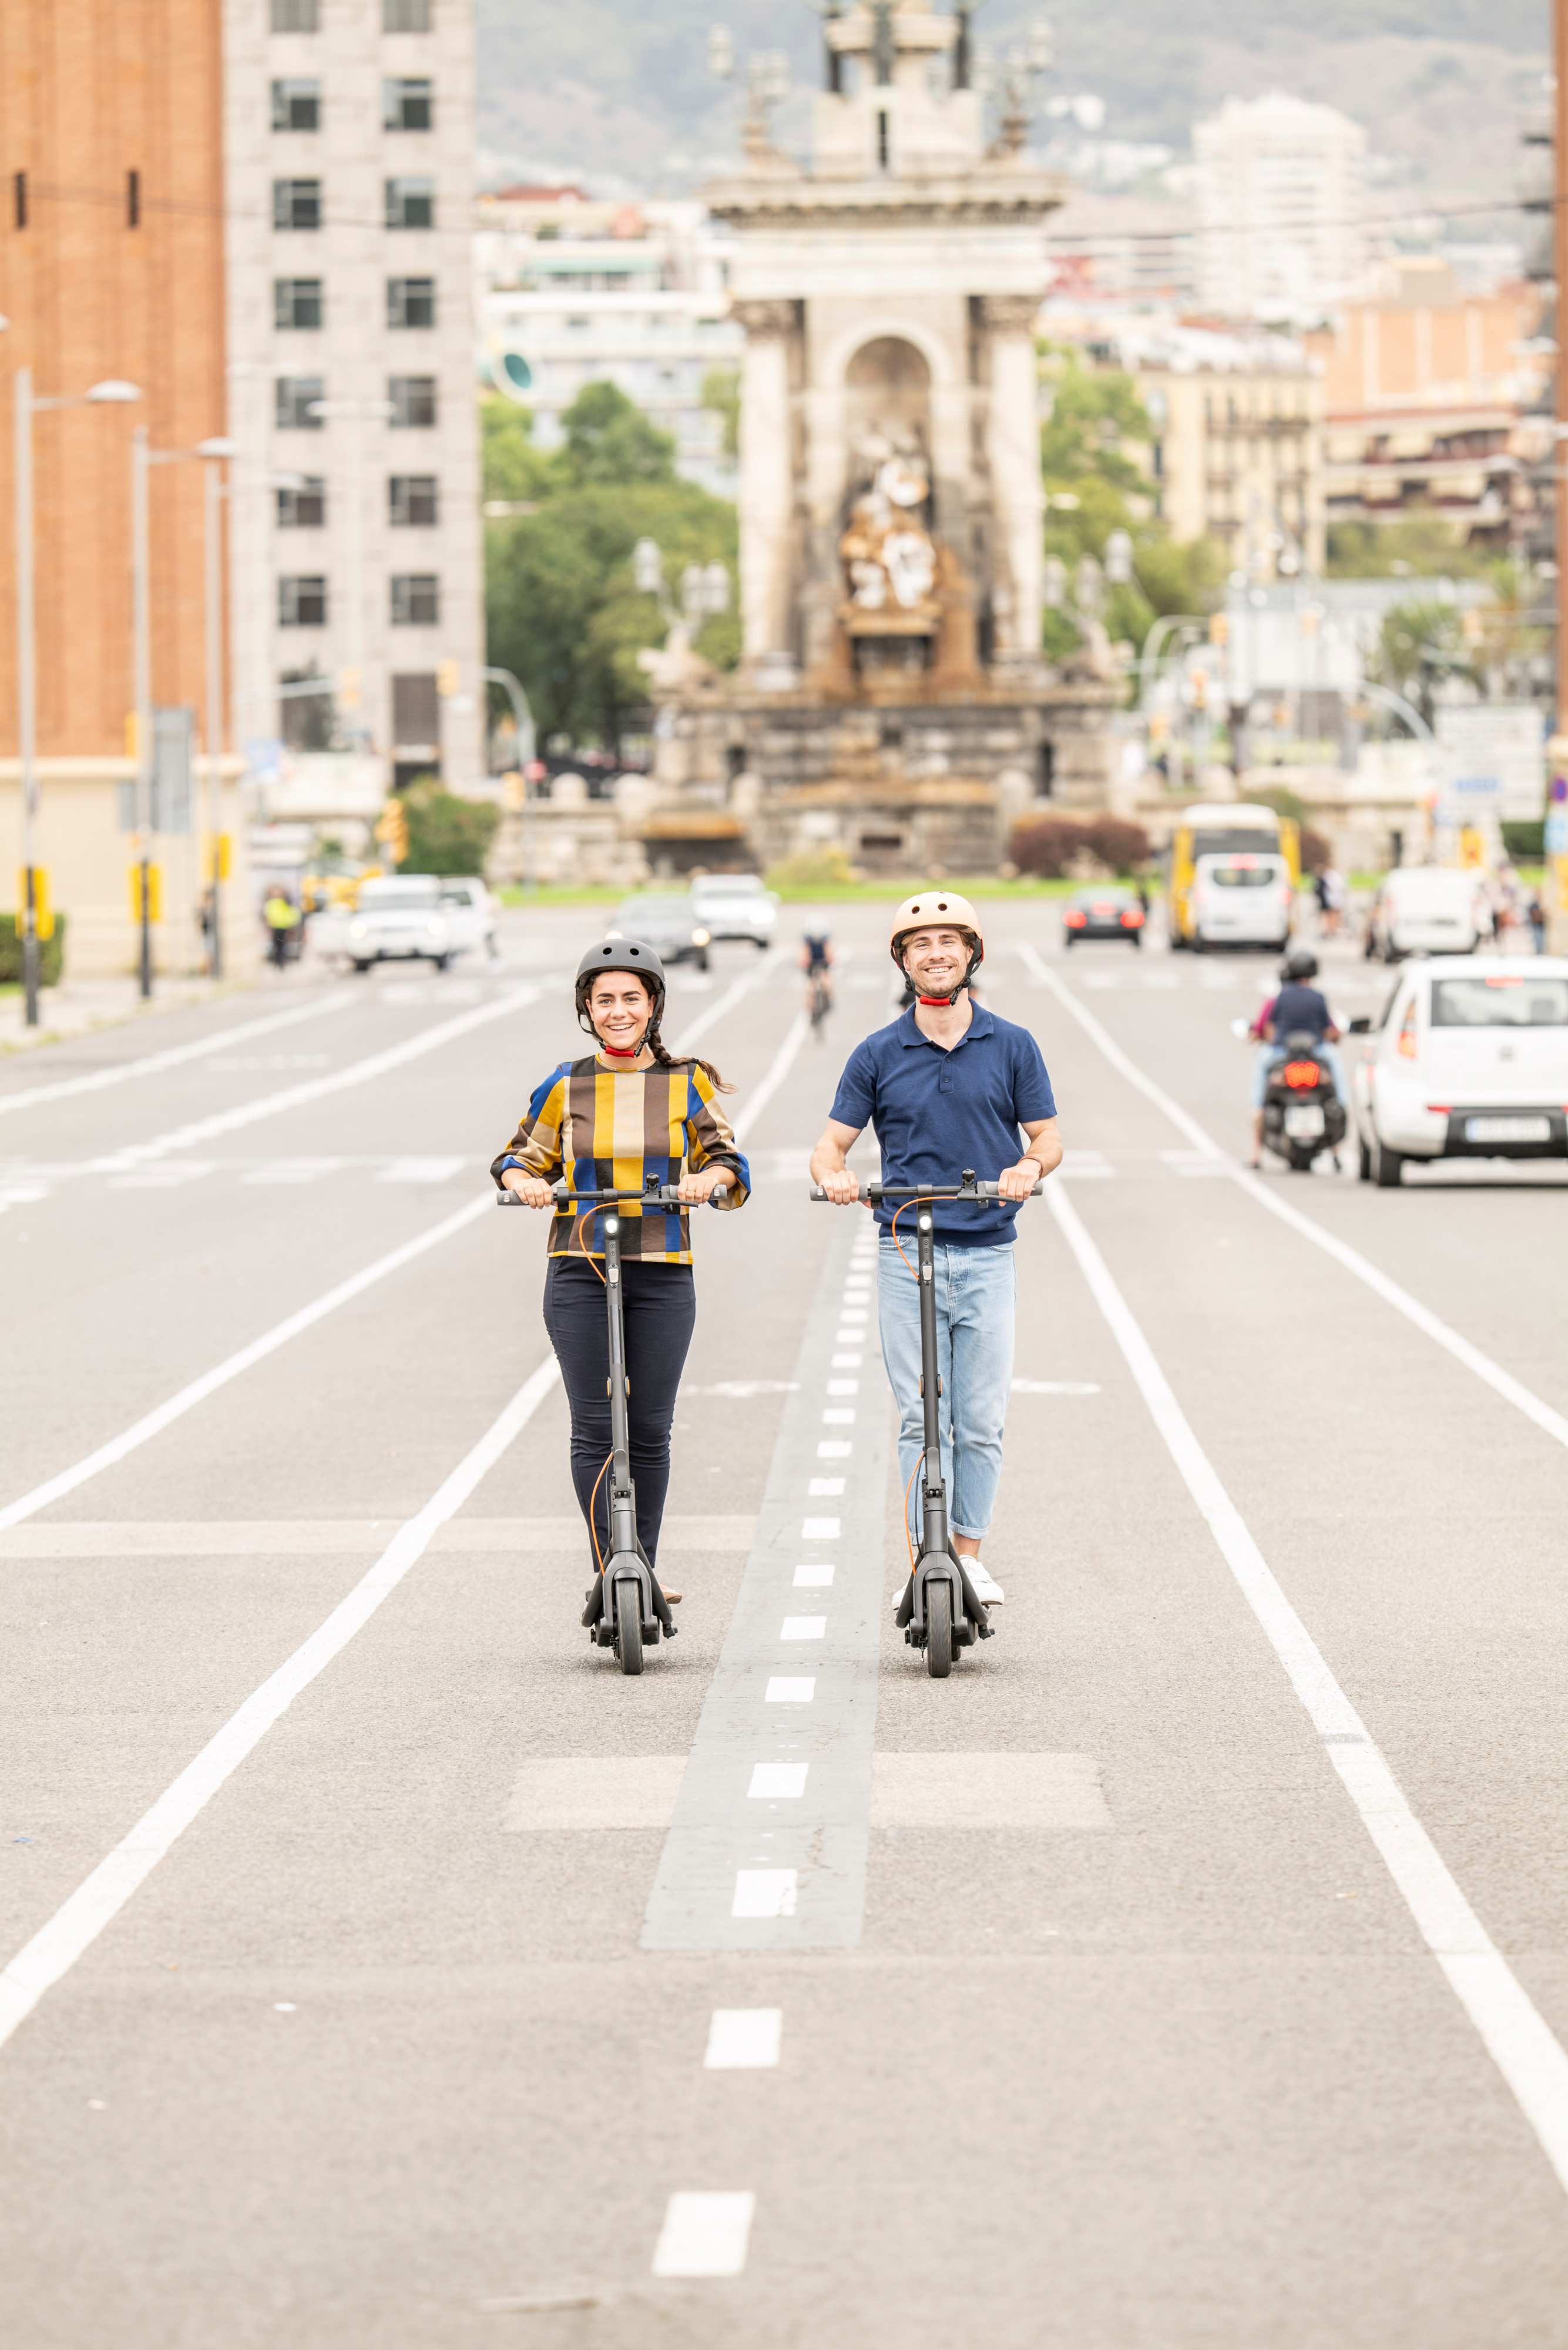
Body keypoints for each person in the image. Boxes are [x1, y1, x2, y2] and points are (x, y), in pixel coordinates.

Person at [809, 892, 1063, 1609]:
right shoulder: (877, 1053)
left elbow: (1047, 1136)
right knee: (922, 1414)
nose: (936, 954)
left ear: (971, 954)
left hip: (986, 1252)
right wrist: (834, 1178)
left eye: (950, 942)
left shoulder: (1012, 1044)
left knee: (978, 1419)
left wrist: (1027, 1168)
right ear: (903, 960)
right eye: (921, 944)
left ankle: (970, 1555)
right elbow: (830, 1145)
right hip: (904, 1250)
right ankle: (926, 1557)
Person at [491, 939, 750, 1621]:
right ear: (586, 1008)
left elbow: (729, 1162)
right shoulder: (564, 1084)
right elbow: (519, 1156)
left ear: (653, 1005)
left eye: (630, 998)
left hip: (661, 1267)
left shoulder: (685, 1081)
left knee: (651, 1427)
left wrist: (705, 1180)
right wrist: (525, 1185)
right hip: (579, 1265)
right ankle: (612, 1568)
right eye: (604, 999)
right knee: (595, 1425)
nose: (617, 1010)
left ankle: (645, 1562)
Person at [1251, 946, 1342, 1169]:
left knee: (1260, 1086)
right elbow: (1330, 1032)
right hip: (1316, 1053)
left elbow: (1269, 1030)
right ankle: (1337, 1147)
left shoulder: (1280, 997)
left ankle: (1255, 1151)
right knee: (1336, 1079)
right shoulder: (1318, 998)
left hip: (1283, 1053)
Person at [800, 926, 835, 1026]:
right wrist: (803, 961)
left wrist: (830, 960)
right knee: (809, 988)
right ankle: (811, 1010)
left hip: (823, 963)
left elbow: (829, 952)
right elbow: (803, 953)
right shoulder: (807, 940)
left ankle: (828, 1000)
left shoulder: (825, 940)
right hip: (811, 964)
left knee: (827, 983)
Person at [262, 888, 300, 970]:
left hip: (282, 928)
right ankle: (279, 963)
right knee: (278, 946)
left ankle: (280, 963)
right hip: (277, 928)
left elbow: (289, 914)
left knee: (281, 946)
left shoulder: (281, 903)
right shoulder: (274, 903)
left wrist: (291, 925)